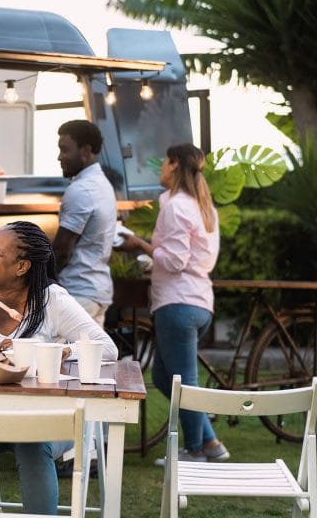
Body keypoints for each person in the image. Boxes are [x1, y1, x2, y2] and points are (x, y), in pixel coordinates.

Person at [0, 221, 118, 514]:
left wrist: (62, 351)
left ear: (22, 266)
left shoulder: (52, 300)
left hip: (49, 417)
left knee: (31, 440)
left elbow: (108, 348)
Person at [118, 144, 230, 465]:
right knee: (164, 377)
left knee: (184, 382)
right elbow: (190, 259)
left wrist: (140, 245)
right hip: (198, 302)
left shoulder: (178, 207)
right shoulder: (202, 206)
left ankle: (194, 450)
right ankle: (211, 442)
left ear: (175, 164)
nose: (160, 168)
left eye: (164, 162)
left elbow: (176, 261)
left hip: (177, 303)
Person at [54, 119, 118, 327]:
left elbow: (62, 250)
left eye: (65, 149)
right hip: (95, 292)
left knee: (58, 350)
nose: (59, 157)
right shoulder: (102, 185)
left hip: (77, 293)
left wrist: (36, 284)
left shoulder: (81, 189)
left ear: (86, 151)